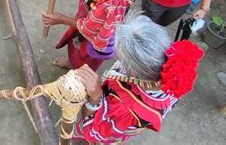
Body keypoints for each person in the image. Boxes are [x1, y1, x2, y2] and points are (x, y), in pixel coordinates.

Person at [72, 14, 204, 143]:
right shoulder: (175, 74)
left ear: (133, 70)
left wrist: (95, 98)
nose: (120, 62)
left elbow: (97, 133)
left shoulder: (127, 109)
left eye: (123, 59)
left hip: (104, 128)